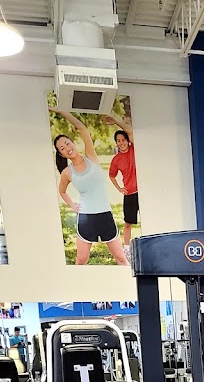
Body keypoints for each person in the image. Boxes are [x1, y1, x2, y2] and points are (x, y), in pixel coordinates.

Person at [52, 105, 128, 266]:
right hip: (86, 217)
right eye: (62, 148)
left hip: (105, 214)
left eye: (67, 143)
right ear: (61, 154)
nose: (67, 148)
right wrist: (72, 205)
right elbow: (62, 191)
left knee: (121, 258)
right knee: (81, 260)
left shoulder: (91, 157)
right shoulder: (67, 172)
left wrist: (63, 111)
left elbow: (82, 128)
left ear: (73, 142)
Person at [106, 113, 139, 254]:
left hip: (143, 192)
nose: (121, 143)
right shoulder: (116, 159)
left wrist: (115, 121)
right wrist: (119, 188)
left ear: (128, 141)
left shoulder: (134, 149)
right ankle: (127, 250)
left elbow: (130, 131)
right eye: (118, 141)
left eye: (123, 140)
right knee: (128, 224)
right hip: (130, 193)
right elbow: (111, 175)